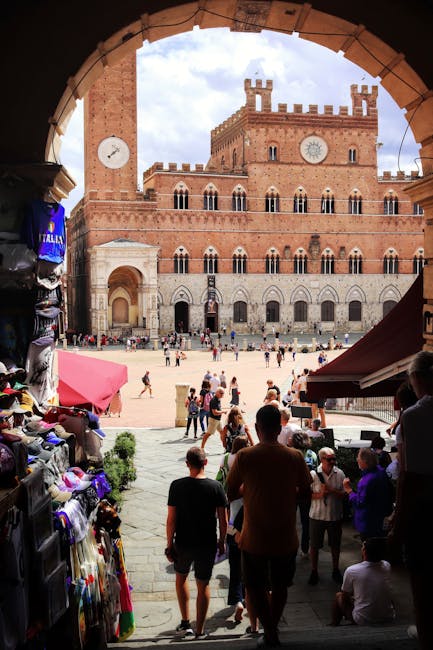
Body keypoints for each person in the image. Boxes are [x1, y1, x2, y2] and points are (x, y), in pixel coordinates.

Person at [226, 405, 312, 648]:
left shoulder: (245, 457)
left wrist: (251, 489)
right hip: (285, 536)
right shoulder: (294, 457)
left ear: (257, 428)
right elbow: (305, 492)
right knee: (281, 586)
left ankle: (270, 632)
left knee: (254, 587)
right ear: (279, 427)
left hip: (254, 537)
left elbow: (231, 491)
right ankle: (272, 631)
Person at [388, 351, 433, 650]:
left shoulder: (412, 417)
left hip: (424, 508)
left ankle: (427, 635)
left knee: (421, 577)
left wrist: (397, 522)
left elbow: (406, 474)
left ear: (415, 379)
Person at [166, 447, 227, 639]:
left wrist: (169, 543)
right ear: (205, 463)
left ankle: (185, 622)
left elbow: (171, 519)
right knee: (203, 584)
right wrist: (222, 541)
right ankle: (200, 629)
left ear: (187, 464)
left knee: (181, 577)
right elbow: (223, 520)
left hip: (183, 541)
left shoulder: (176, 486)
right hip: (207, 543)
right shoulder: (216, 487)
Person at [330, 537, 395, 626]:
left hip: (363, 619)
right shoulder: (387, 566)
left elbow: (345, 597)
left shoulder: (352, 570)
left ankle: (334, 625)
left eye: (362, 547)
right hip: (388, 616)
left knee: (339, 596)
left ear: (364, 551)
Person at [308, 447, 346, 586]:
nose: (332, 462)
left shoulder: (339, 473)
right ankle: (314, 571)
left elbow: (344, 494)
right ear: (322, 459)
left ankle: (336, 570)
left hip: (334, 516)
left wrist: (331, 490)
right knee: (314, 546)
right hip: (316, 516)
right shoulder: (313, 474)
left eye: (334, 459)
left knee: (335, 545)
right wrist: (320, 495)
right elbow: (306, 495)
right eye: (330, 459)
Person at [343, 448, 394, 541]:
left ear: (364, 461)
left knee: (369, 549)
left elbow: (360, 502)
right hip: (381, 518)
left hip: (368, 522)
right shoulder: (381, 472)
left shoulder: (367, 480)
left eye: (358, 458)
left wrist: (349, 490)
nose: (357, 460)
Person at [291, 432, 317, 557]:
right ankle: (305, 549)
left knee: (289, 521)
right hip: (306, 491)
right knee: (306, 522)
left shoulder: (290, 454)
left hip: (291, 492)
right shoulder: (312, 454)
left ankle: (289, 546)